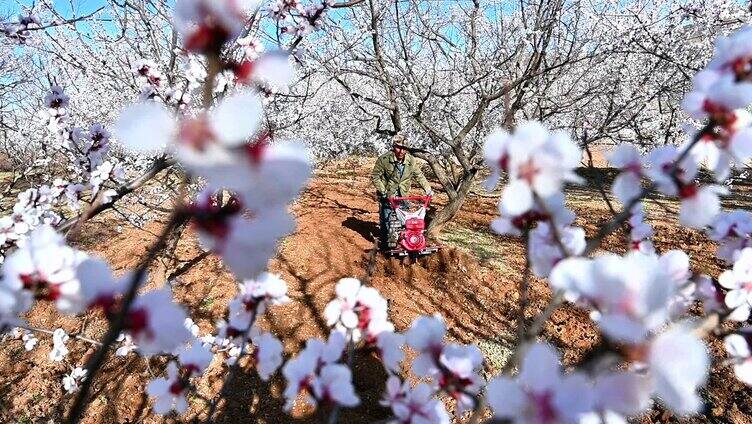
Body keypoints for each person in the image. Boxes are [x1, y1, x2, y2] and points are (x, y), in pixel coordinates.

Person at [371, 134, 433, 249]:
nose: (401, 151)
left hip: (403, 195)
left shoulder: (411, 160)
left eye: (404, 148)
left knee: (405, 221)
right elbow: (375, 176)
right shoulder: (384, 160)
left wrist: (428, 189)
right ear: (393, 146)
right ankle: (386, 245)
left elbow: (419, 175)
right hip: (388, 194)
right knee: (387, 221)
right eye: (398, 147)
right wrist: (383, 190)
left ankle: (405, 242)